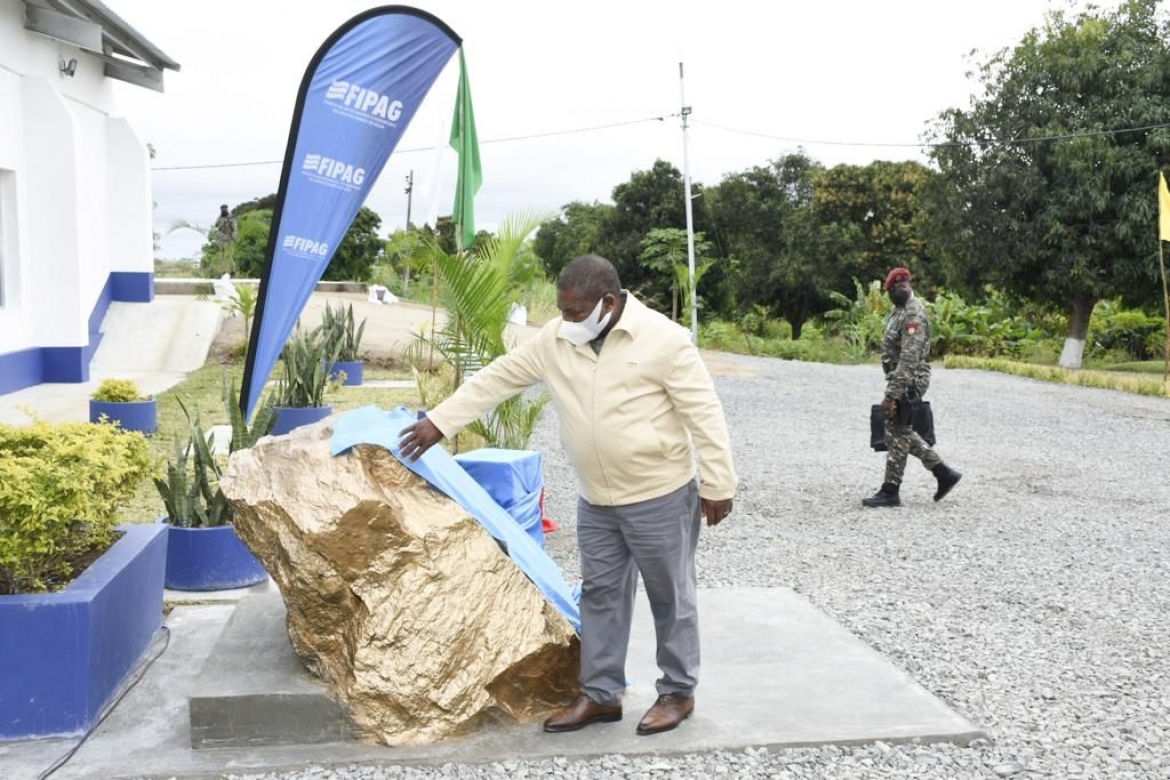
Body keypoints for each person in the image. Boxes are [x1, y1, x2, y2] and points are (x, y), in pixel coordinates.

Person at [398, 254, 738, 736]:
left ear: (609, 303)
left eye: (575, 312)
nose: (566, 321)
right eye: (563, 311)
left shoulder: (664, 340)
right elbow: (499, 377)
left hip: (659, 493)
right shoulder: (555, 340)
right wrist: (440, 421)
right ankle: (600, 695)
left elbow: (705, 414)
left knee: (671, 596)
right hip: (597, 498)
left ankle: (678, 691)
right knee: (600, 594)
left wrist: (719, 484)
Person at [863, 267, 962, 508]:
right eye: (894, 288)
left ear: (910, 285)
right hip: (901, 377)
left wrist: (892, 395)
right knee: (900, 430)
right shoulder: (899, 311)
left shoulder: (912, 315)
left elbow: (908, 358)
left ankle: (890, 490)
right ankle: (943, 473)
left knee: (896, 428)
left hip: (909, 379)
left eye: (903, 285)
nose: (899, 290)